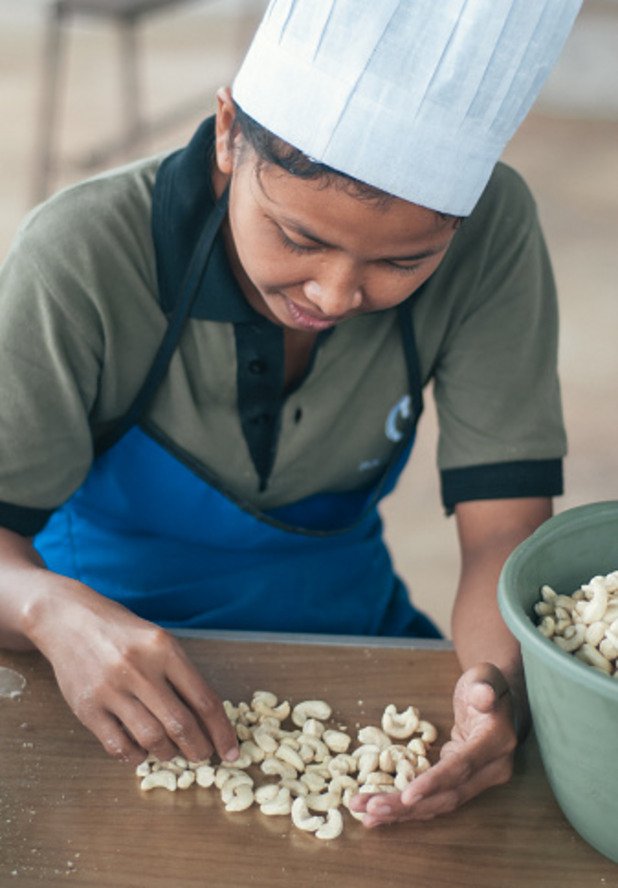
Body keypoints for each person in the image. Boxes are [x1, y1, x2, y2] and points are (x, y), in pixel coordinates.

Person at [0, 0, 581, 828]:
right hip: (106, 662)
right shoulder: (86, 256)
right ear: (230, 132)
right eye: (298, 237)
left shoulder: (494, 233)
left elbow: (502, 532)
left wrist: (492, 694)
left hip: (354, 632)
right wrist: (45, 609)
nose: (336, 295)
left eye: (403, 261)